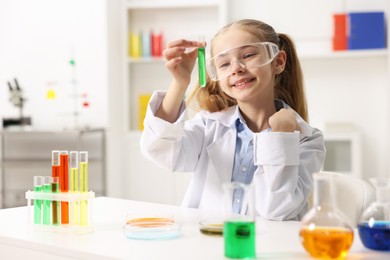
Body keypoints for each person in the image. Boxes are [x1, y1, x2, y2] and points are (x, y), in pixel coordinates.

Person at [140, 19, 326, 221]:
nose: (236, 68)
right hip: (207, 245)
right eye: (224, 63)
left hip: (268, 250)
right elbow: (159, 149)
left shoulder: (308, 140)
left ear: (278, 62)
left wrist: (281, 138)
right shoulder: (208, 127)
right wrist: (180, 82)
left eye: (248, 55)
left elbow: (277, 209)